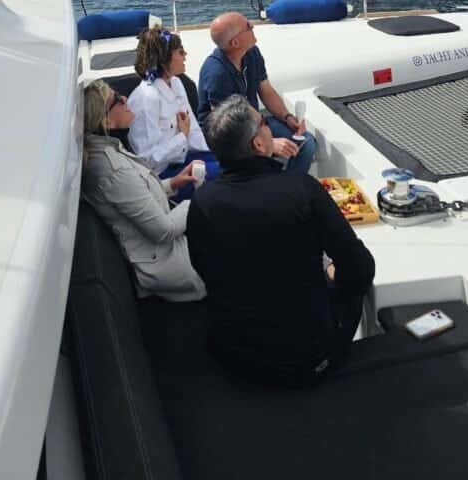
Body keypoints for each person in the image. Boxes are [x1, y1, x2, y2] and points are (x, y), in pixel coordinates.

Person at [187, 95, 375, 384]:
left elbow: (202, 268)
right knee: (353, 281)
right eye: (263, 122)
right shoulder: (301, 190)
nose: (268, 126)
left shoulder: (201, 202)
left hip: (234, 359)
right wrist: (331, 275)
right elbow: (360, 267)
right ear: (259, 145)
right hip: (308, 359)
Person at [81, 79, 205, 302]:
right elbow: (163, 230)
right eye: (117, 99)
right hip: (172, 264)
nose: (125, 99)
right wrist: (200, 200)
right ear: (105, 119)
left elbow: (138, 196)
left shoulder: (109, 153)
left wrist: (172, 183)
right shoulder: (112, 170)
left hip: (174, 248)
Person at [197, 11, 317, 174]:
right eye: (247, 26)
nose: (252, 26)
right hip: (229, 138)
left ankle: (288, 189)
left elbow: (266, 90)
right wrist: (270, 144)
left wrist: (287, 117)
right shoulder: (216, 74)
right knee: (261, 158)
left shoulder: (251, 53)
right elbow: (228, 130)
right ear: (236, 42)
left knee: (307, 143)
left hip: (253, 124)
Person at [128, 26, 220, 190]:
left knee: (237, 162)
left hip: (186, 157)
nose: (185, 56)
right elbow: (149, 162)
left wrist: (219, 150)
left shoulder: (176, 83)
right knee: (228, 176)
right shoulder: (146, 98)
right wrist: (182, 136)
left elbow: (193, 131)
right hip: (164, 176)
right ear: (164, 61)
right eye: (180, 52)